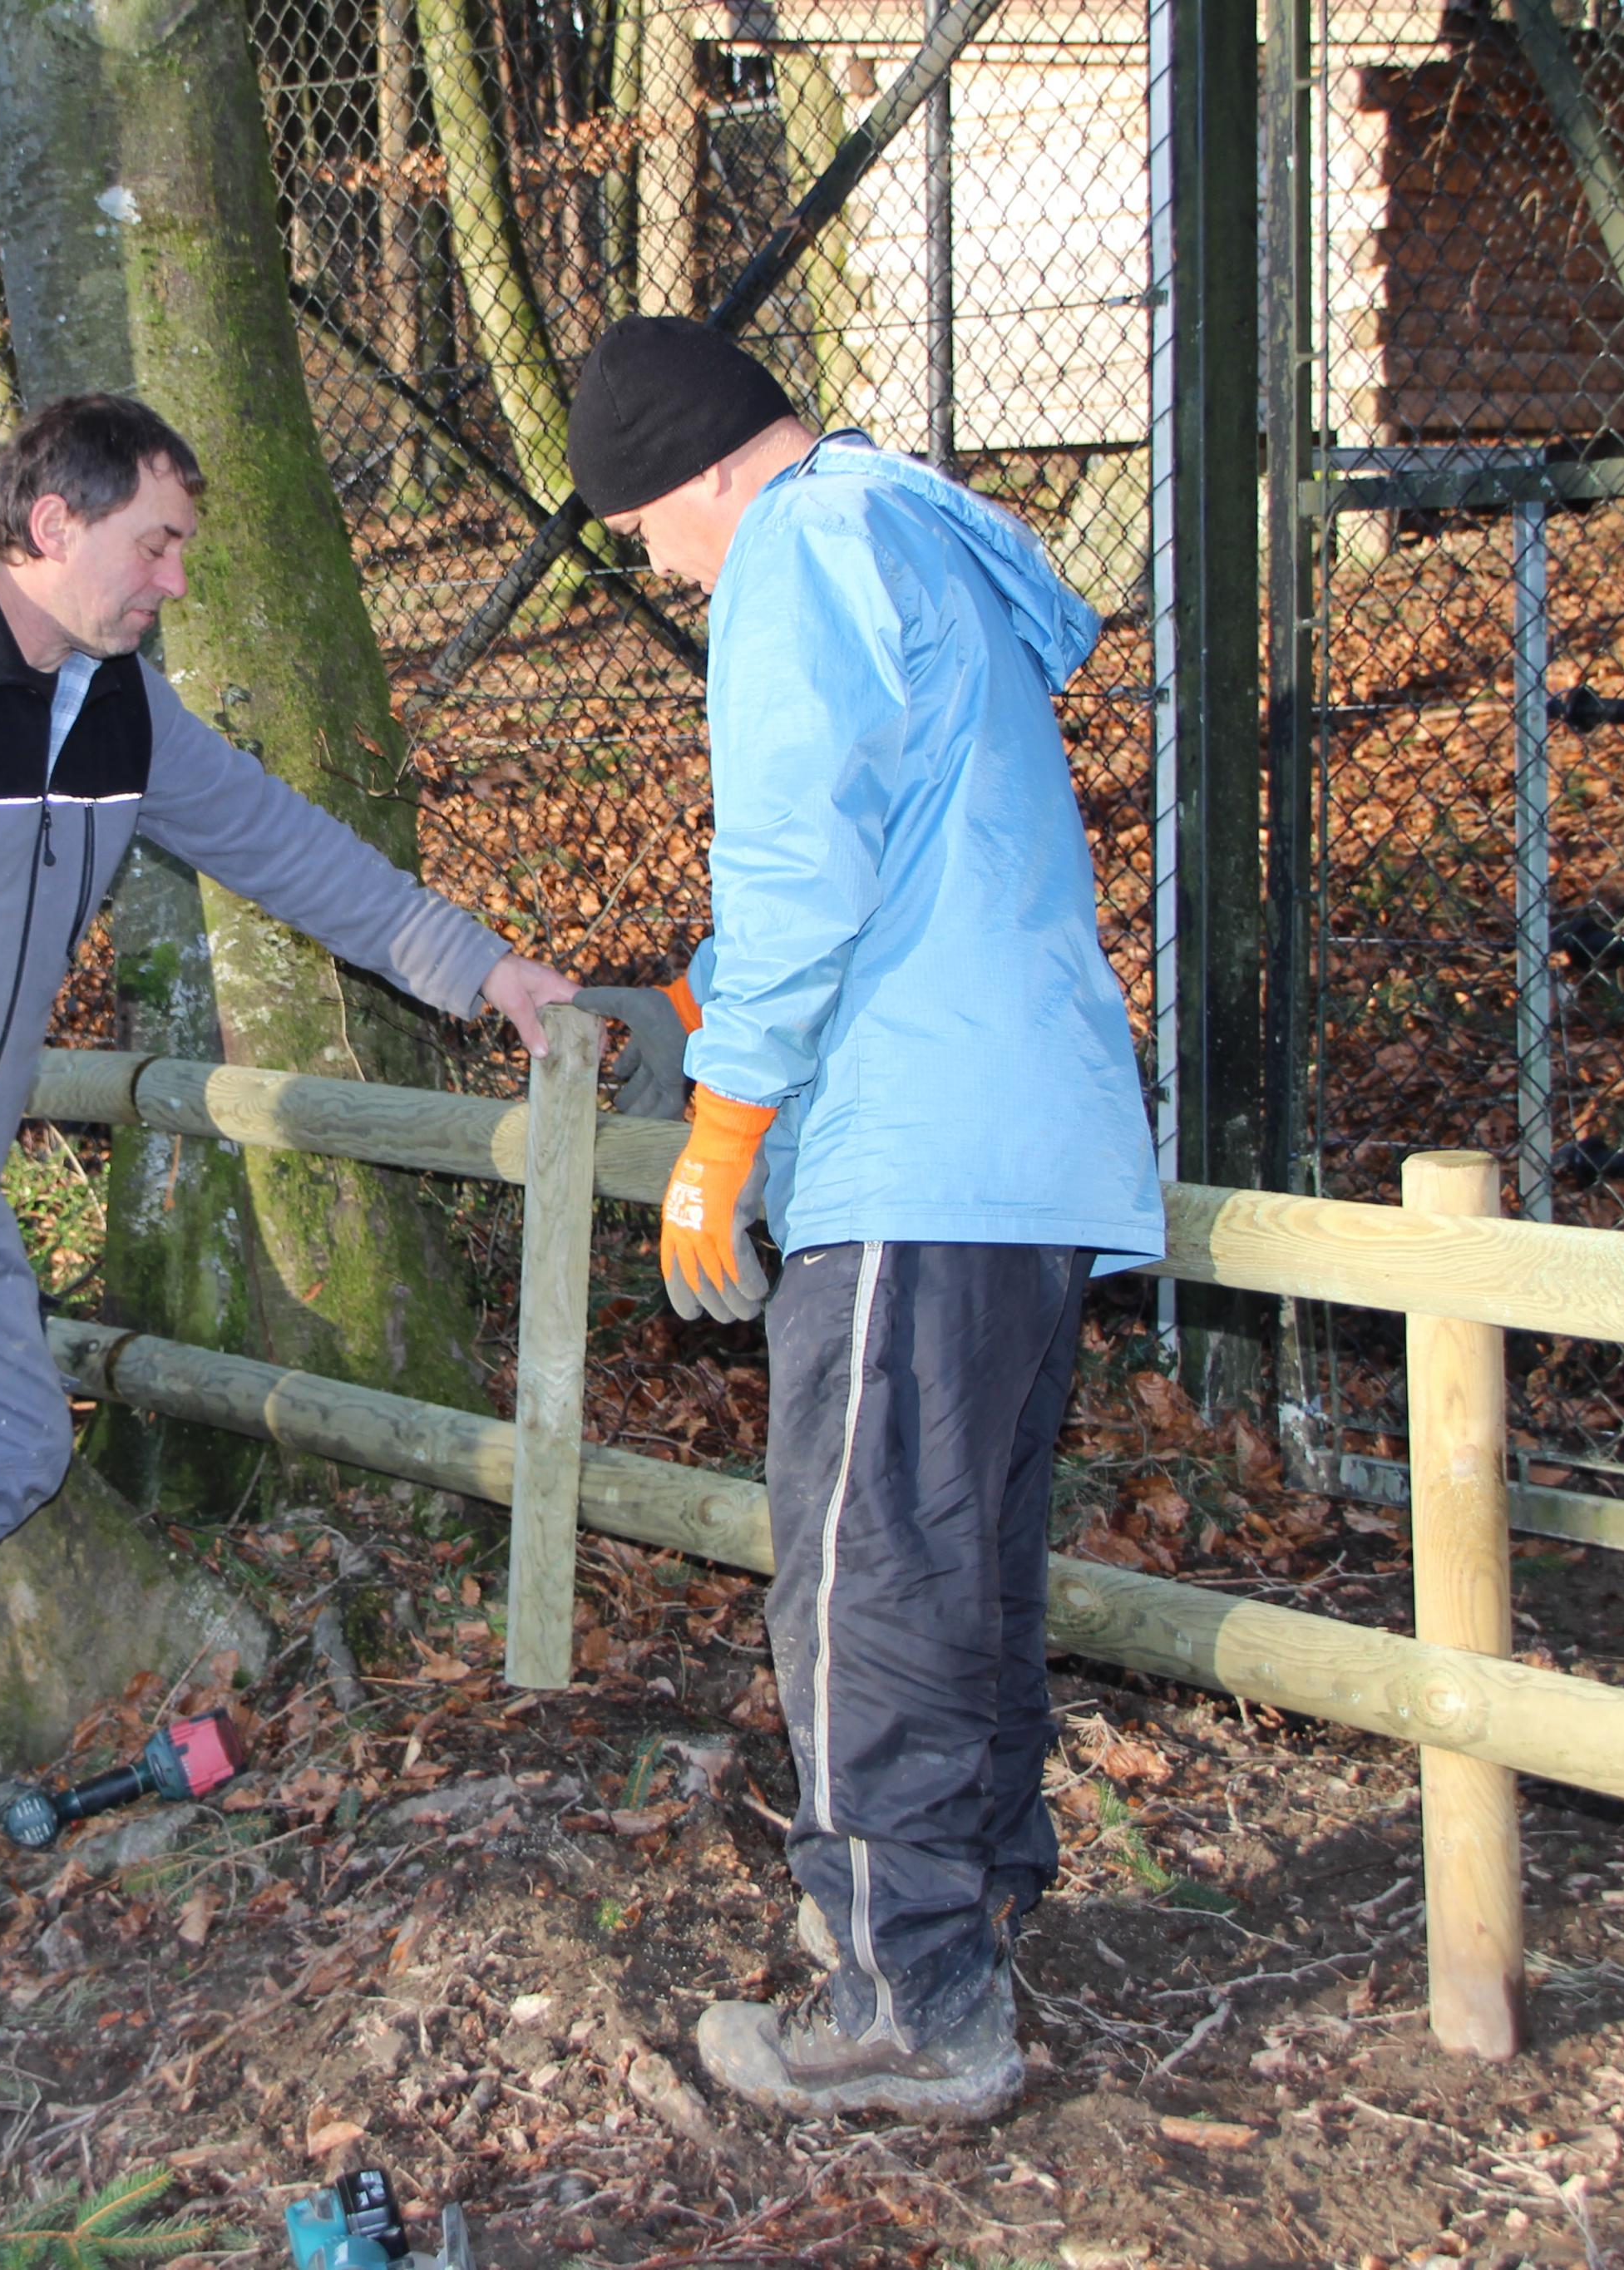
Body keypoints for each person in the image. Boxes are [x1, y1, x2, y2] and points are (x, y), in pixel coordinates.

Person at [0, 394, 577, 1939]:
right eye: (155, 545)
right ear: (51, 523)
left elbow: (287, 846)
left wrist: (485, 970)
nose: (174, 578)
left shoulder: (116, 704)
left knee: (7, 1445)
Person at [566, 318, 1162, 2123]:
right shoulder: (908, 532)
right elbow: (899, 835)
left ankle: (910, 1997)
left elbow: (800, 852)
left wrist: (728, 1114)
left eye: (644, 534)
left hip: (909, 1142)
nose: (661, 570)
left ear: (698, 472)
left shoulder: (799, 547)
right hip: (1024, 1143)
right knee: (963, 1557)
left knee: (864, 1574)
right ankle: (973, 1899)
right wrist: (697, 1006)